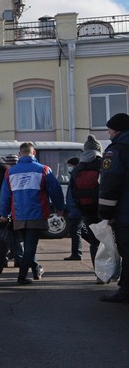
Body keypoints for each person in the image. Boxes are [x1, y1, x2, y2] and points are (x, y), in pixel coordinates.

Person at [0, 142, 65, 285]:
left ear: (20, 154)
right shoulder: (44, 170)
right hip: (37, 214)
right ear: (33, 153)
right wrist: (60, 208)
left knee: (28, 245)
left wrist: (4, 213)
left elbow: (5, 195)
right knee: (30, 246)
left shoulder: (10, 172)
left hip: (18, 215)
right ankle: (22, 276)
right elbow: (56, 190)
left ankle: (36, 270)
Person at [98, 113, 129, 302]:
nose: (108, 133)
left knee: (127, 253)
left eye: (109, 129)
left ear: (116, 130)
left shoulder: (117, 150)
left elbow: (110, 183)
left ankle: (125, 291)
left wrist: (106, 214)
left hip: (125, 214)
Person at [71, 135, 103, 276]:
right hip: (103, 208)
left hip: (85, 209)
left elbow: (72, 190)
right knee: (108, 241)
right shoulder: (102, 163)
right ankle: (111, 272)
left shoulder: (78, 167)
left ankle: (98, 273)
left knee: (94, 242)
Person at [63, 157, 84, 261]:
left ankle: (76, 254)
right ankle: (98, 245)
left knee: (75, 231)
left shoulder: (76, 176)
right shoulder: (75, 175)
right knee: (81, 231)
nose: (69, 168)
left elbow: (73, 195)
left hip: (76, 210)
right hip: (74, 209)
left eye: (70, 165)